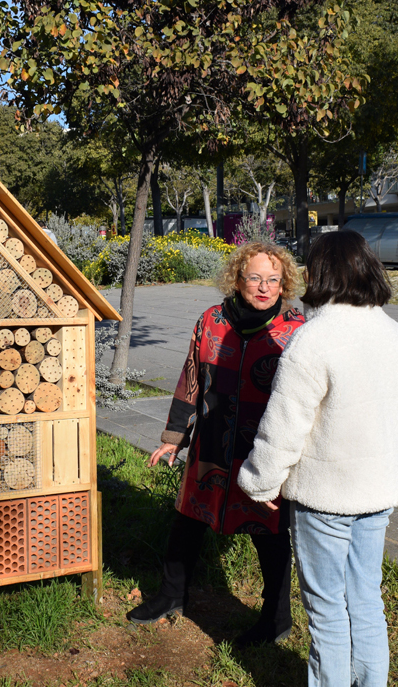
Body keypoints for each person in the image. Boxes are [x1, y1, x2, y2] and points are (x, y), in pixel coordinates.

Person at [237, 230, 398, 686]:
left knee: (327, 611)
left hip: (326, 498)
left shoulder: (314, 340)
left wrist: (259, 483)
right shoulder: (394, 333)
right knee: (366, 601)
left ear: (318, 274)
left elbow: (284, 426)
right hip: (378, 493)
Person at [126, 241, 305, 647]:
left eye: (273, 280)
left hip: (264, 449)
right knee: (188, 518)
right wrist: (175, 438)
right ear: (238, 278)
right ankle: (171, 595)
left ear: (284, 283)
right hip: (210, 445)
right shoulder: (211, 320)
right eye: (255, 278)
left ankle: (276, 618)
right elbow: (191, 376)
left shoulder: (296, 331)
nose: (264, 287)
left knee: (270, 532)